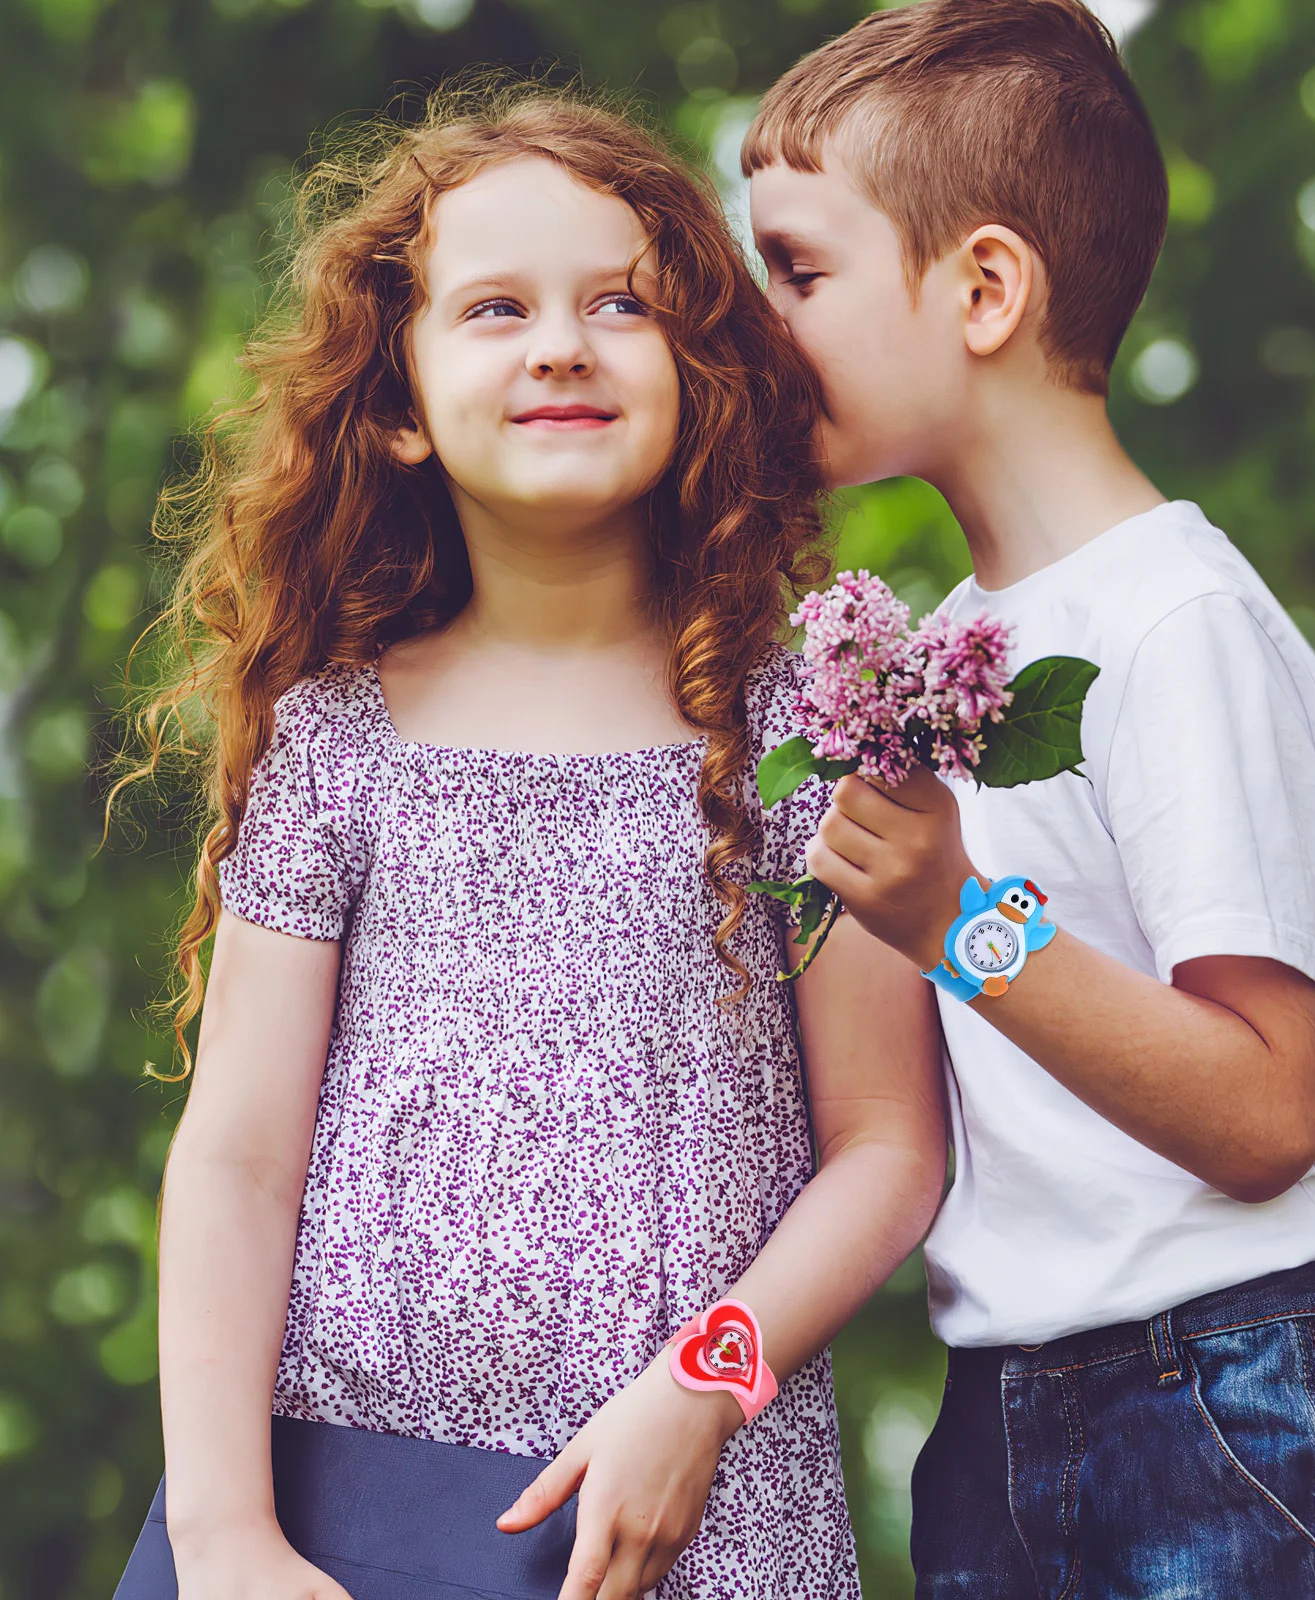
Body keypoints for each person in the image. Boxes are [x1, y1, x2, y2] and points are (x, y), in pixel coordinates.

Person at [113, 82, 946, 1600]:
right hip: (336, 1527)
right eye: (495, 308)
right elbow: (236, 1158)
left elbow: (887, 1147)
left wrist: (709, 1381)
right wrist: (229, 1536)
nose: (561, 342)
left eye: (620, 303)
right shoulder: (338, 739)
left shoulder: (803, 741)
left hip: (699, 1523)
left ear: (699, 368)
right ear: (399, 408)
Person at [744, 3, 1315, 1596]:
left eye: (799, 272)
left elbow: (1267, 1115)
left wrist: (951, 919)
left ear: (984, 289)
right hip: (1004, 1409)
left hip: (1239, 1388)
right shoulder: (923, 666)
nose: (757, 324)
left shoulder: (1176, 621)